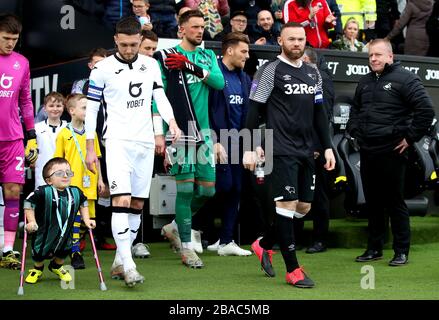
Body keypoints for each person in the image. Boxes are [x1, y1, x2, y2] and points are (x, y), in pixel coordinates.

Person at [84, 16, 180, 287]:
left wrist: (171, 121)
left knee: (137, 204)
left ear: (141, 40)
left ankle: (119, 262)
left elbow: (159, 97)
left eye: (133, 44)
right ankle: (129, 264)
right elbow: (91, 110)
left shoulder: (150, 64)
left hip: (145, 142)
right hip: (117, 142)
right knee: (121, 201)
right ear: (115, 39)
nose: (128, 49)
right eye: (124, 44)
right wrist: (91, 148)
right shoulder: (101, 68)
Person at [243, 22, 335, 288]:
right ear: (281, 41)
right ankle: (293, 270)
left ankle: (265, 244)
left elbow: (320, 113)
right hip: (279, 148)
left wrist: (327, 146)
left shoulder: (313, 73)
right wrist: (249, 146)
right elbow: (253, 110)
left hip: (307, 150)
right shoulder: (268, 71)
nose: (297, 43)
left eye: (301, 39)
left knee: (303, 208)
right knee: (286, 205)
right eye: (291, 39)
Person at [347, 39, 435, 266]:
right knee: (373, 202)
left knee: (395, 202)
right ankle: (374, 248)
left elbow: (426, 110)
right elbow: (355, 110)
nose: (373, 59)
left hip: (393, 151)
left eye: (378, 55)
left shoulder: (406, 78)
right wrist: (355, 131)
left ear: (390, 56)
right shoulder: (365, 81)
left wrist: (409, 138)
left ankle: (401, 251)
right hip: (368, 150)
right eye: (370, 56)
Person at [153, 10, 224, 268]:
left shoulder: (207, 55)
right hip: (180, 132)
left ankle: (173, 226)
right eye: (194, 27)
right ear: (181, 29)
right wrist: (161, 131)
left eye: (201, 27)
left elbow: (218, 82)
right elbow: (157, 96)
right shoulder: (166, 57)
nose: (199, 31)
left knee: (207, 190)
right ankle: (186, 248)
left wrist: (191, 66)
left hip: (204, 133)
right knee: (184, 189)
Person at [198, 32, 253, 256]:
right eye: (243, 51)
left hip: (239, 142)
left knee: (236, 189)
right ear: (229, 50)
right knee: (217, 188)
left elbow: (249, 112)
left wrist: (252, 143)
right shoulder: (214, 75)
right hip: (217, 142)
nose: (247, 56)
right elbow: (204, 109)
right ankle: (194, 232)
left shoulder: (244, 78)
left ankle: (226, 241)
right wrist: (213, 140)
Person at [0, 13, 38, 270]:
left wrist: (31, 136)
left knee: (13, 192)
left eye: (14, 39)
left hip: (13, 138)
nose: (10, 43)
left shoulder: (21, 62)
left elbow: (25, 100)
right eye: (5, 38)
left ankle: (7, 250)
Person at [23, 158, 95, 284]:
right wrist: (31, 221)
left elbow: (83, 203)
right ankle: (38, 268)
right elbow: (28, 202)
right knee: (40, 251)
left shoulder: (75, 192)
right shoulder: (43, 191)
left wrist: (87, 219)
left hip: (66, 232)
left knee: (65, 249)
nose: (65, 175)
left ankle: (56, 266)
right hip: (45, 231)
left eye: (68, 172)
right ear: (49, 180)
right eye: (59, 173)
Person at [54, 94, 105, 269]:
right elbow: (57, 162)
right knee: (75, 218)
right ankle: (75, 252)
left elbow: (96, 159)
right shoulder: (64, 134)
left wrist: (100, 180)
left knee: (87, 220)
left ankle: (75, 244)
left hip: (89, 185)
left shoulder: (92, 134)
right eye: (84, 108)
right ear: (72, 111)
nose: (87, 111)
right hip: (72, 185)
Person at [34, 92, 68, 189]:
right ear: (44, 108)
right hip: (42, 177)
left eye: (58, 106)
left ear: (63, 107)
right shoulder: (36, 128)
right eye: (51, 106)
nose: (55, 109)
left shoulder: (69, 128)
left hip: (64, 176)